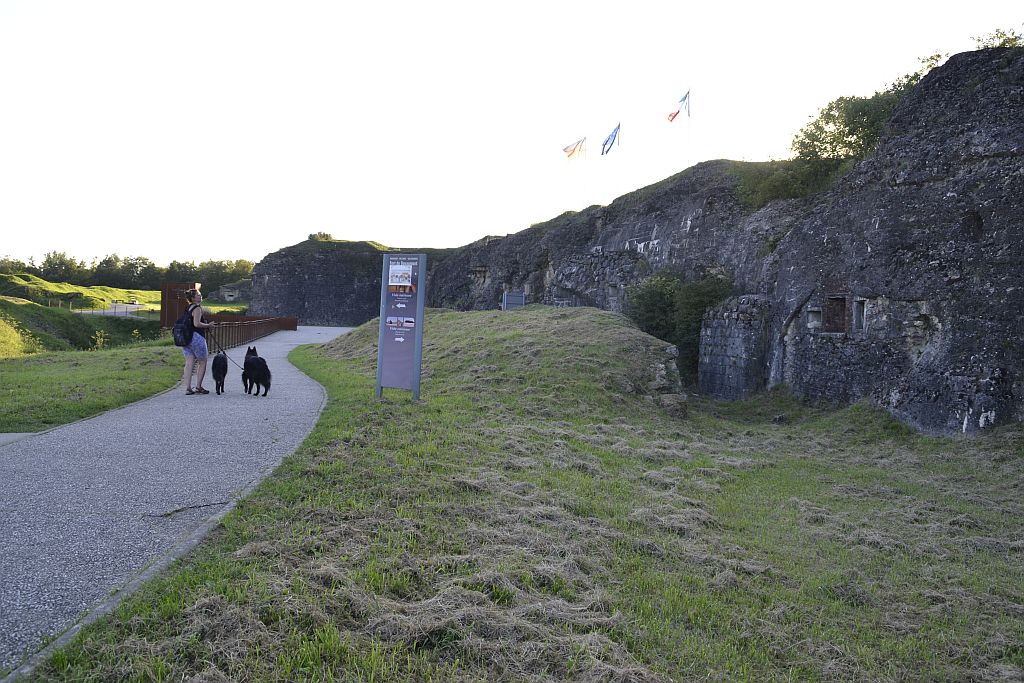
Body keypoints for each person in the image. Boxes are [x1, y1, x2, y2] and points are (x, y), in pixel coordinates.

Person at [181, 288, 216, 395]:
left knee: (189, 362)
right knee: (203, 362)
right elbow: (196, 324)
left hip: (186, 338)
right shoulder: (197, 308)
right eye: (198, 295)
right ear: (193, 297)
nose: (200, 296)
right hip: (196, 337)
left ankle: (187, 388)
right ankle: (198, 387)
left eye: (200, 294)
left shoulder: (188, 308)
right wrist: (208, 325)